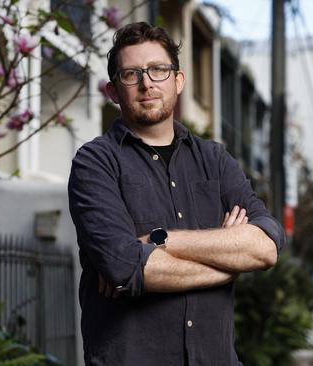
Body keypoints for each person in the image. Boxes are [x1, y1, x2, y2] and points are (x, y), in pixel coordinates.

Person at [68, 22, 285, 366]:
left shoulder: (215, 160)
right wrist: (230, 265)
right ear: (113, 91)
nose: (146, 83)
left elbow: (265, 247)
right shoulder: (95, 163)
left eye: (158, 69)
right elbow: (125, 266)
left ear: (178, 81)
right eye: (131, 74)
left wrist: (161, 240)